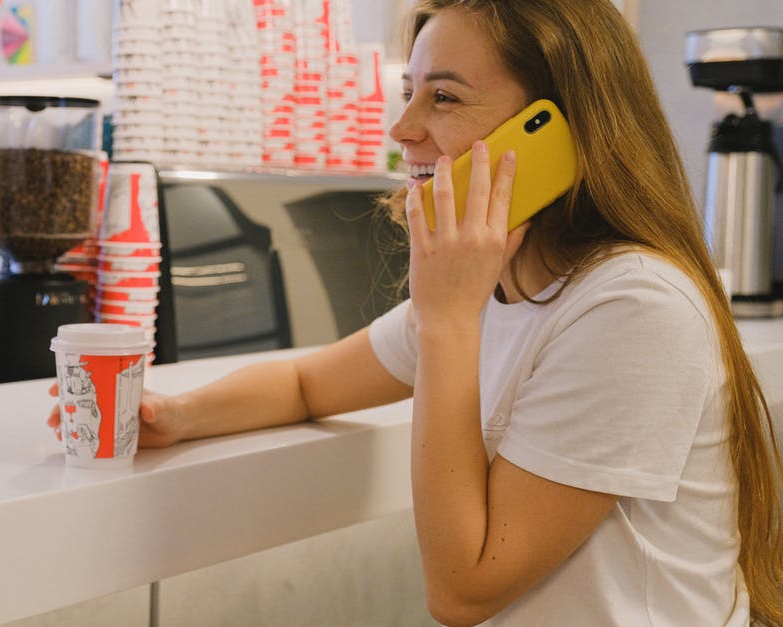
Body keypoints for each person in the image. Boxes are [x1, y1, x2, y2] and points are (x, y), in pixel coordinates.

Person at [48, 1, 783, 624]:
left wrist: (447, 321)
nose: (403, 130)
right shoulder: (503, 283)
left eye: (444, 98)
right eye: (409, 93)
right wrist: (178, 415)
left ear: (558, 134)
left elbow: (464, 587)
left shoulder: (634, 307)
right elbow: (309, 382)